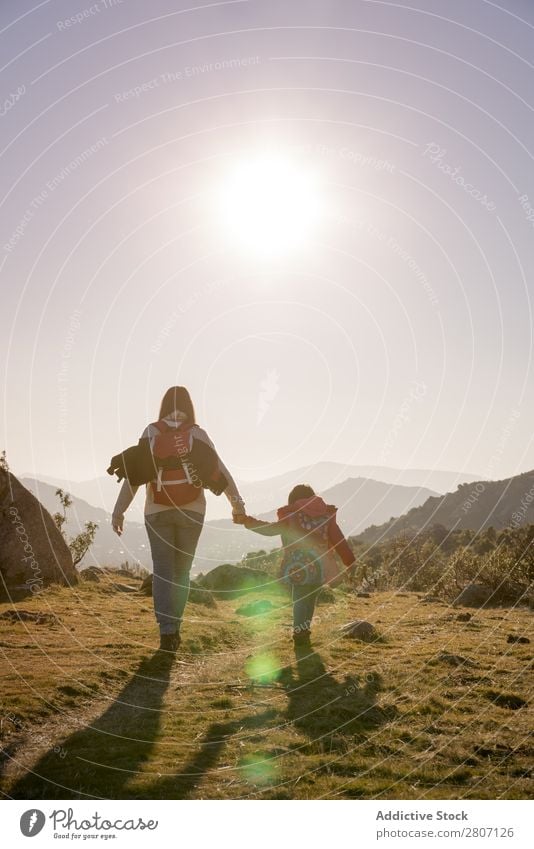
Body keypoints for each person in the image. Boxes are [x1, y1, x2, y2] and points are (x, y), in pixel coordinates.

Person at [112, 386, 246, 652]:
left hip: (157, 511)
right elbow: (221, 471)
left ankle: (167, 632)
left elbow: (134, 478)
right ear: (189, 406)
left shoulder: (151, 432)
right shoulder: (197, 434)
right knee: (182, 572)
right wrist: (237, 505)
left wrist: (119, 511)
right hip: (192, 510)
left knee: (163, 571)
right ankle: (177, 626)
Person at [239, 484, 355, 646]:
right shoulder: (326, 516)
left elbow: (270, 529)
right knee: (310, 599)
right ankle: (304, 630)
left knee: (300, 599)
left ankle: (299, 633)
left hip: (299, 567)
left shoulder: (291, 516)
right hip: (320, 566)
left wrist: (248, 522)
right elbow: (339, 541)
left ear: (293, 500)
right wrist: (350, 561)